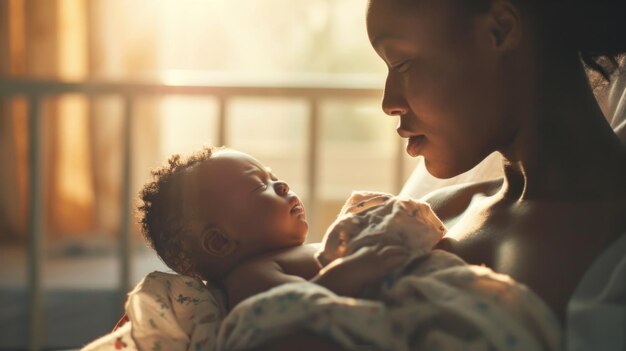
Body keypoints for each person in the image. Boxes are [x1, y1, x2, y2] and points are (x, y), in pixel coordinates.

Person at [249, 0, 626, 350]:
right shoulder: (423, 217)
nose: (388, 102)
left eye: (402, 64)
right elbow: (246, 275)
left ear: (499, 30)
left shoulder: (612, 240)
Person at [137, 147, 411, 309]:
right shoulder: (249, 277)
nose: (282, 186)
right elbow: (302, 304)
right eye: (259, 186)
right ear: (220, 242)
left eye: (274, 178)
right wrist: (357, 269)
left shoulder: (277, 259)